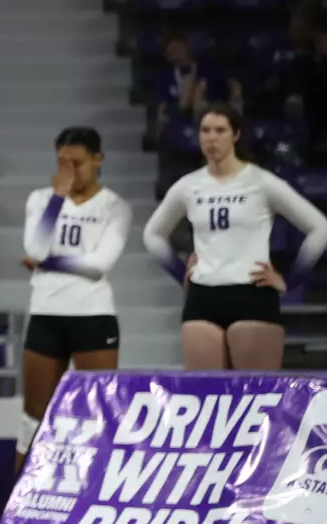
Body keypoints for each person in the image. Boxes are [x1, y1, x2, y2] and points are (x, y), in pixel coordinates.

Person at [143, 104, 327, 371]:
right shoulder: (188, 185)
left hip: (251, 295)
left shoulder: (261, 182)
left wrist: (289, 278)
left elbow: (320, 227)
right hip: (202, 297)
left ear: (236, 135)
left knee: (255, 398)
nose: (211, 137)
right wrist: (179, 271)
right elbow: (153, 234)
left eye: (220, 130)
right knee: (204, 400)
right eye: (205, 130)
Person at [17, 127, 131, 473]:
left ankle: (92, 497)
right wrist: (57, 199)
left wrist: (51, 263)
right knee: (33, 416)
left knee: (97, 412)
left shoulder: (115, 206)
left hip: (92, 314)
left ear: (97, 160)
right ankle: (16, 513)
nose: (68, 171)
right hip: (47, 312)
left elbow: (100, 264)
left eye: (77, 163)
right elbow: (33, 248)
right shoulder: (40, 199)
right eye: (62, 162)